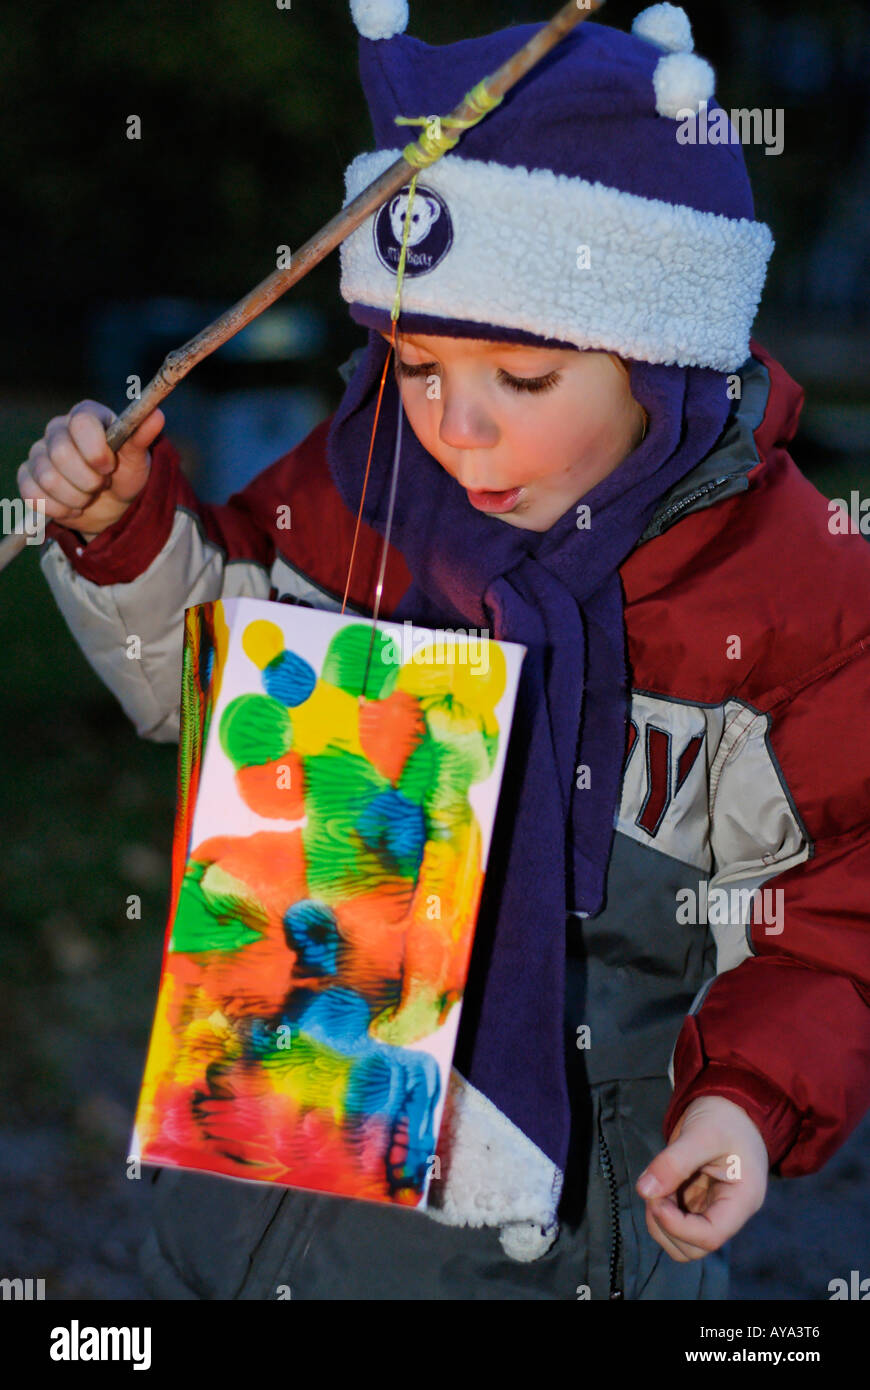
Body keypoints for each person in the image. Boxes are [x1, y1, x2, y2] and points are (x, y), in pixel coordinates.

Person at [19, 2, 870, 1300]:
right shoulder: (362, 489)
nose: (455, 428)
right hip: (247, 1200)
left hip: (553, 1251)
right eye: (417, 364)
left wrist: (746, 1103)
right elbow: (209, 701)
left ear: (667, 366)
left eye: (519, 382)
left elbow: (832, 921)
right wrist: (121, 531)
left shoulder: (788, 599)